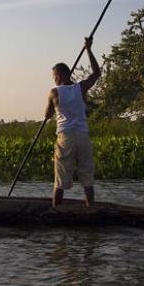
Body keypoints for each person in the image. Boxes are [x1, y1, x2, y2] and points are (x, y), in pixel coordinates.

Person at [45, 36, 101, 208]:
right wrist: (89, 50)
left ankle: (56, 212)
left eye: (54, 76)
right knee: (87, 179)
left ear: (60, 75)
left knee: (60, 179)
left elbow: (47, 115)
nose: (53, 79)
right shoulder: (82, 87)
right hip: (83, 136)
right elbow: (96, 73)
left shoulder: (54, 92)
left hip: (66, 137)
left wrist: (52, 109)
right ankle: (90, 210)